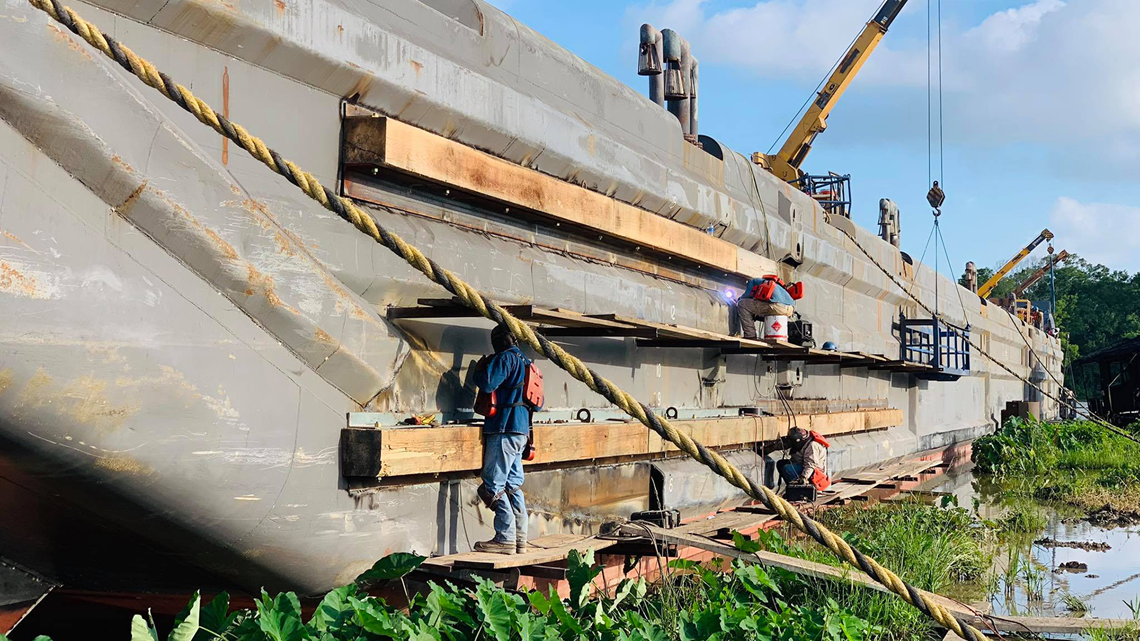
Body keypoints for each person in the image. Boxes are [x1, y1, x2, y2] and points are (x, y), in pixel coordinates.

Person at [472, 324, 534, 554]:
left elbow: (488, 383)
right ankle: (521, 539)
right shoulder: (527, 362)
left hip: (503, 427)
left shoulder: (506, 359)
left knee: (492, 484)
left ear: (500, 340)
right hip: (521, 430)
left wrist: (478, 371)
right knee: (513, 486)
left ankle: (505, 537)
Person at [737, 276, 796, 340]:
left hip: (778, 306)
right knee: (760, 307)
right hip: (790, 309)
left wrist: (738, 299)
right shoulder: (778, 287)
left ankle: (750, 335)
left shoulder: (753, 281)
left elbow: (746, 296)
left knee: (742, 304)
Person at [776, 427, 831, 492]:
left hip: (813, 474)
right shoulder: (805, 443)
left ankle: (799, 491)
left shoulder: (812, 445)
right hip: (804, 466)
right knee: (781, 464)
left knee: (788, 469)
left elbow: (810, 465)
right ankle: (791, 489)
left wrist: (804, 477)